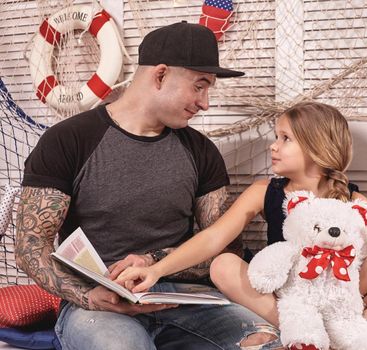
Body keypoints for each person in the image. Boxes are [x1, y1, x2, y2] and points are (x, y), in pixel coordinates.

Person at [15, 21, 282, 350]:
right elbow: (30, 246)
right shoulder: (68, 140)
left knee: (270, 342)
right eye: (200, 86)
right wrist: (88, 295)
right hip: (98, 303)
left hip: (187, 299)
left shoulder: (201, 151)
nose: (205, 103)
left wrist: (153, 260)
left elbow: (226, 249)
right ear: (160, 75)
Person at [116, 101, 367, 339]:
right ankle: (306, 332)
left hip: (344, 301)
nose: (273, 146)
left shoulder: (355, 204)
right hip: (288, 299)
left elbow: (363, 284)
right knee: (223, 265)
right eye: (277, 136)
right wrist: (155, 269)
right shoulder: (265, 192)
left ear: (317, 147)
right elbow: (215, 238)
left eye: (285, 138)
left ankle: (330, 335)